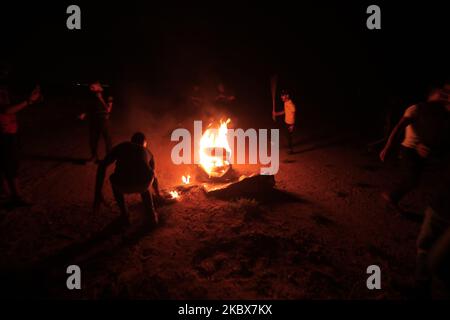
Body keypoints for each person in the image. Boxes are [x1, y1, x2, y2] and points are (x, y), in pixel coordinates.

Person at [379, 88, 449, 210]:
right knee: (412, 179)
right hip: (409, 149)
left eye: (445, 96)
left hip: (427, 151)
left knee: (418, 178)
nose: (444, 97)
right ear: (431, 97)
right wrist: (388, 147)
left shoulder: (440, 113)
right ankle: (392, 197)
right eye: (441, 95)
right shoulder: (416, 109)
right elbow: (399, 128)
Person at [94, 132, 161, 227]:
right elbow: (154, 176)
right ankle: (151, 215)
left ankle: (125, 215)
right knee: (146, 176)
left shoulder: (122, 146)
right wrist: (158, 194)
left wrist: (98, 192)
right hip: (143, 185)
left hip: (122, 185)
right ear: (144, 143)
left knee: (113, 178)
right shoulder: (148, 152)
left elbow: (102, 165)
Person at [0, 65, 42, 206]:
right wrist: (28, 101)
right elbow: (7, 110)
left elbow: (11, 104)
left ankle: (9, 196)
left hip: (9, 131)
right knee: (9, 166)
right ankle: (14, 197)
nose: (6, 74)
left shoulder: (4, 89)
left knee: (8, 165)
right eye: (3, 72)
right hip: (4, 133)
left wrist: (33, 97)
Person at [79, 81, 113, 162]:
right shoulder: (93, 95)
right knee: (92, 139)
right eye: (90, 87)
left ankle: (109, 157)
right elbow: (90, 107)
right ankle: (94, 156)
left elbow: (108, 109)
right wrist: (84, 114)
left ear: (98, 86)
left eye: (92, 87)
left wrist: (101, 99)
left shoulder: (108, 94)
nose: (90, 89)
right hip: (94, 119)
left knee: (107, 139)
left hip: (103, 120)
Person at [273, 89, 296, 154]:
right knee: (287, 135)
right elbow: (285, 111)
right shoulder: (286, 103)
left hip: (290, 123)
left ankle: (291, 150)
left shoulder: (290, 104)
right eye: (281, 95)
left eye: (283, 95)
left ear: (287, 96)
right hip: (286, 122)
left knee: (289, 137)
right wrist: (276, 114)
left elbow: (294, 112)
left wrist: (292, 125)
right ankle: (289, 146)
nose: (281, 97)